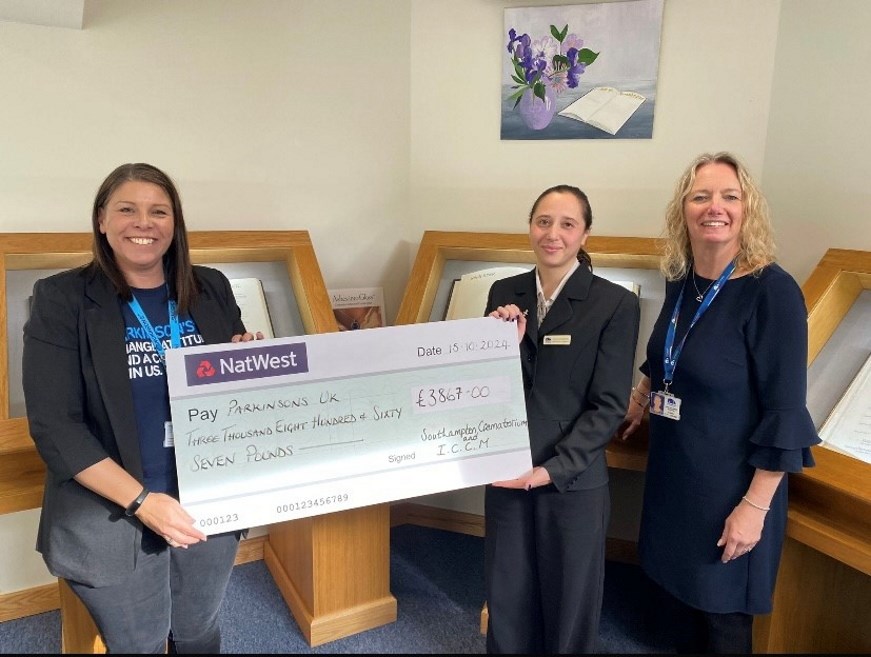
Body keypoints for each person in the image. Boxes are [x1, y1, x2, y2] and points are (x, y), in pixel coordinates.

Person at [22, 163, 263, 654]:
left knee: (199, 630)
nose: (143, 223)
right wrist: (141, 502)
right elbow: (55, 425)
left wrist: (248, 362)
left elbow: (230, 395)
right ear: (101, 220)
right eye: (127, 209)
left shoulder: (210, 287)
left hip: (206, 498)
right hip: (111, 512)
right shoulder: (62, 297)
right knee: (140, 642)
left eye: (159, 211)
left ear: (175, 224)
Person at [621, 152, 819, 653]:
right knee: (674, 608)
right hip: (674, 475)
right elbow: (668, 355)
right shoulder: (681, 279)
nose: (716, 207)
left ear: (748, 209)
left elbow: (785, 412)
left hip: (732, 488)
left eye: (730, 196)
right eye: (701, 195)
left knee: (722, 620)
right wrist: (639, 398)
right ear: (682, 210)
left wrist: (753, 508)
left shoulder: (772, 293)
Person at [485, 184, 641, 653]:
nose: (553, 234)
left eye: (567, 224)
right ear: (530, 227)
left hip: (572, 479)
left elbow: (610, 404)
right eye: (543, 222)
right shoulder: (503, 292)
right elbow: (485, 388)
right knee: (507, 592)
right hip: (507, 467)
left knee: (570, 600)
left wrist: (554, 468)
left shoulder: (615, 303)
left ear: (585, 235)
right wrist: (502, 346)